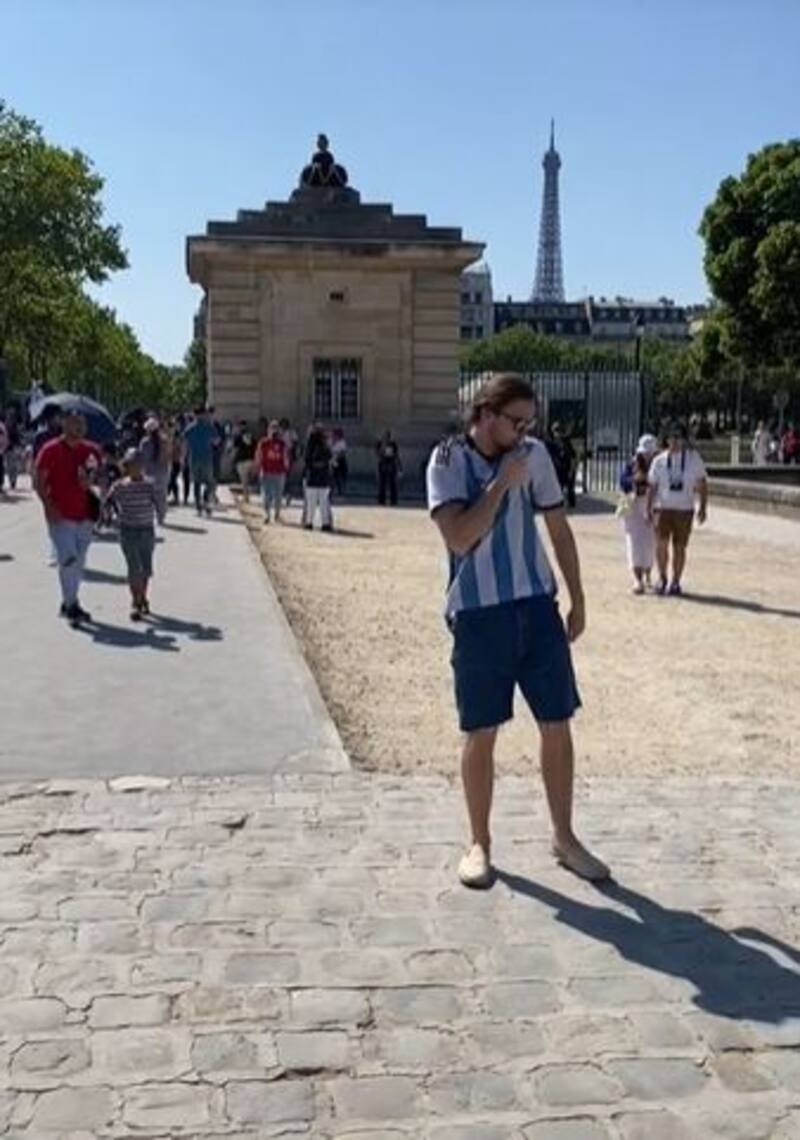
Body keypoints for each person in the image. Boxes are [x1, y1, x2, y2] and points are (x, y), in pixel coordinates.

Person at [426, 372, 609, 890]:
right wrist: (503, 482)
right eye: (515, 421)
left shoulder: (535, 455)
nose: (525, 431)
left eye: (530, 421)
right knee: (480, 730)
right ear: (485, 414)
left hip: (535, 604)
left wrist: (578, 597)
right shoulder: (447, 461)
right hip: (480, 613)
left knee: (557, 720)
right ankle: (479, 841)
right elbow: (460, 537)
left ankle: (565, 837)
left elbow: (557, 527)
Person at [33, 410, 101, 627]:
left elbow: (98, 476)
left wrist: (88, 481)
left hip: (85, 516)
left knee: (78, 562)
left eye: (82, 424)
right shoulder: (50, 449)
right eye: (74, 423)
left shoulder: (91, 450)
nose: (79, 428)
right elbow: (38, 480)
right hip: (60, 515)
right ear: (64, 425)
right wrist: (48, 506)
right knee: (68, 558)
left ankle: (68, 602)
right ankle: (72, 605)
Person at [646, 423, 708, 597]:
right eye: (671, 437)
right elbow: (652, 485)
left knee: (680, 547)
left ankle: (676, 581)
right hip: (662, 507)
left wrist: (702, 507)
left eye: (678, 437)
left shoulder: (693, 458)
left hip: (684, 509)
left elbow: (702, 483)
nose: (674, 441)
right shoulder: (659, 460)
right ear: (666, 439)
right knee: (661, 545)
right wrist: (648, 507)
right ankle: (662, 577)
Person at [106, 449, 159, 621]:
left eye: (138, 464)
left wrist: (160, 512)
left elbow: (158, 503)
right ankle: (135, 601)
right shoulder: (120, 486)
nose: (135, 468)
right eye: (131, 465)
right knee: (133, 568)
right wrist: (109, 516)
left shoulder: (150, 485)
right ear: (126, 467)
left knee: (146, 569)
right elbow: (108, 501)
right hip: (128, 530)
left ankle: (142, 596)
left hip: (146, 530)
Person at [618, 434, 658, 594]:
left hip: (652, 505)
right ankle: (637, 578)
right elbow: (623, 481)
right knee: (634, 541)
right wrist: (635, 479)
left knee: (650, 541)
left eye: (650, 453)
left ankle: (648, 572)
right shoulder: (633, 464)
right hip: (634, 505)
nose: (647, 456)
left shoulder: (660, 464)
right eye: (645, 453)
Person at [183, 407, 217, 516]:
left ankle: (198, 507)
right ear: (203, 414)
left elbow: (185, 444)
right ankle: (206, 502)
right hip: (207, 458)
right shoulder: (209, 427)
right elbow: (216, 441)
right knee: (209, 483)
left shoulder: (189, 428)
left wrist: (183, 458)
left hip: (194, 458)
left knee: (196, 483)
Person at [256, 420, 289, 523]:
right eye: (272, 428)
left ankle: (277, 514)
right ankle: (267, 514)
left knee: (278, 495)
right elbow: (259, 455)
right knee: (267, 494)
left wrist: (286, 468)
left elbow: (285, 457)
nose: (274, 430)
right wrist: (258, 467)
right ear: (268, 430)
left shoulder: (282, 443)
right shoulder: (263, 443)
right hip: (267, 471)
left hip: (279, 472)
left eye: (276, 428)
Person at [138, 416, 170, 524]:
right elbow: (167, 457)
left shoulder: (144, 442)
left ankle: (150, 516)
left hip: (149, 473)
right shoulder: (164, 441)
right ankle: (161, 516)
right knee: (161, 496)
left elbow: (141, 458)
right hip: (162, 472)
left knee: (149, 497)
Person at [302, 425, 334, 531]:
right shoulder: (325, 447)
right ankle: (325, 524)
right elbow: (330, 460)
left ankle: (309, 523)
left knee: (311, 503)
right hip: (324, 478)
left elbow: (307, 462)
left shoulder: (309, 447)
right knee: (324, 503)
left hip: (312, 478)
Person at [546, 422, 578, 509]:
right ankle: (558, 504)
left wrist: (572, 469)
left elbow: (573, 456)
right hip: (557, 469)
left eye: (559, 431)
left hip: (566, 468)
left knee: (570, 488)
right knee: (557, 488)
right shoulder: (550, 444)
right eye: (556, 431)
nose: (558, 434)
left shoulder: (567, 442)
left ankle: (571, 504)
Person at [232, 420, 257, 502]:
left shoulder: (239, 436)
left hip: (242, 460)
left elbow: (235, 446)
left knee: (244, 480)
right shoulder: (251, 435)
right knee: (248, 480)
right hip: (250, 459)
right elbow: (255, 446)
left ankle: (246, 497)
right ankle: (246, 496)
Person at [376, 430, 402, 505]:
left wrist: (399, 467)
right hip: (383, 464)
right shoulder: (380, 444)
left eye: (387, 437)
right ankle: (381, 500)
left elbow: (396, 455)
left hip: (391, 464)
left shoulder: (393, 444)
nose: (386, 438)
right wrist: (382, 448)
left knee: (392, 484)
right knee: (382, 484)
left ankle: (393, 501)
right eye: (385, 437)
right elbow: (378, 454)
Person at [280, 418, 299, 506]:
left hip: (288, 456)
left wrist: (290, 450)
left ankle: (288, 494)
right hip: (279, 456)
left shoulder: (291, 433)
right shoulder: (279, 433)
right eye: (282, 424)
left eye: (285, 424)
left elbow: (295, 443)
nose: (283, 426)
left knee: (287, 477)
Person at [331, 427, 349, 498]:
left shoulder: (342, 442)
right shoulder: (331, 441)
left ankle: (341, 491)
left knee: (340, 476)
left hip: (340, 461)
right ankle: (334, 490)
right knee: (333, 476)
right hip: (333, 460)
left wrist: (337, 456)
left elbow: (343, 452)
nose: (334, 436)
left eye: (335, 435)